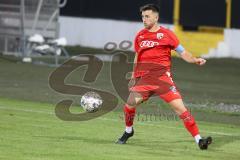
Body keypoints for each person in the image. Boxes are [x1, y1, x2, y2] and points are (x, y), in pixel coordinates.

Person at [116, 4, 212, 150]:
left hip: (162, 79)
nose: (144, 19)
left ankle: (199, 140)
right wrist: (134, 76)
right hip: (144, 80)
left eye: (147, 16)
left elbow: (182, 52)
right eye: (142, 16)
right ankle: (129, 131)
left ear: (156, 17)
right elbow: (137, 56)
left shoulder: (167, 34)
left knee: (181, 109)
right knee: (129, 105)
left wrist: (195, 59)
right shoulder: (140, 35)